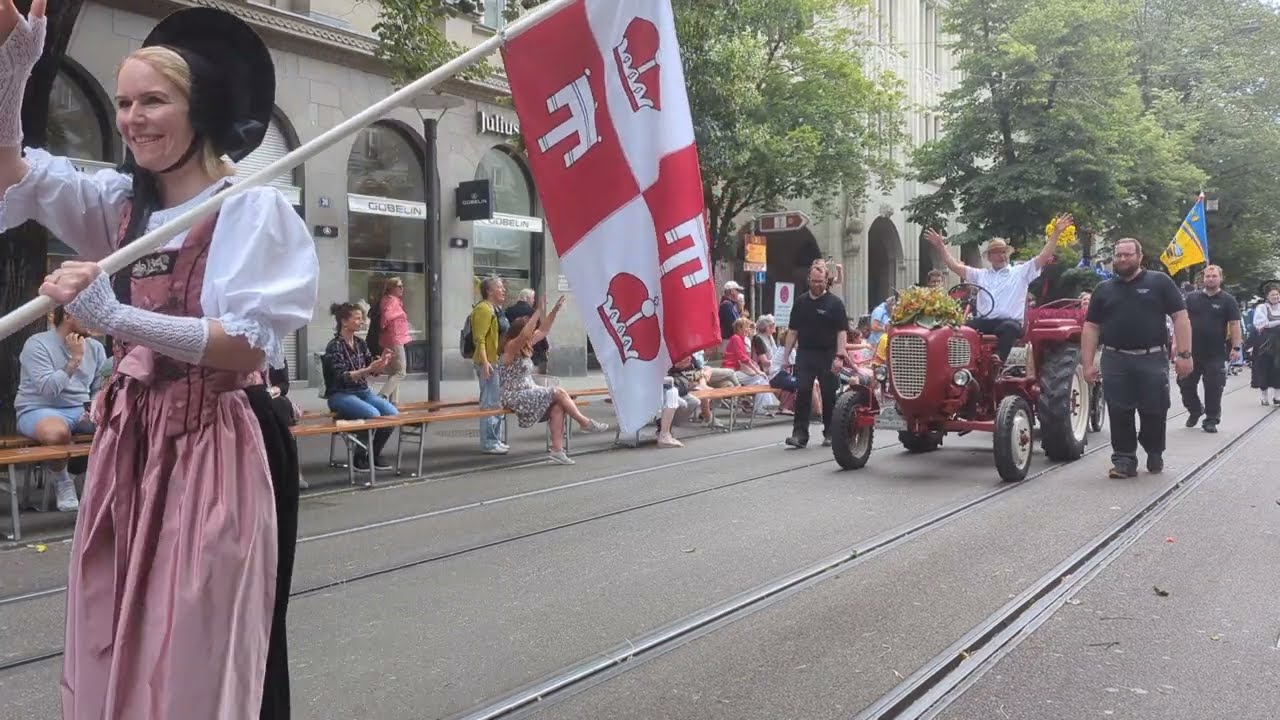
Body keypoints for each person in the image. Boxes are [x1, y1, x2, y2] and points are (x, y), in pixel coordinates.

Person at [2, 4, 318, 717]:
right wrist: (12, 76)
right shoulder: (122, 208)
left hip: (217, 442)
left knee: (199, 642)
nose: (133, 118)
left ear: (198, 108)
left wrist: (115, 318)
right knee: (116, 624)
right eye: (122, 102)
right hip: (132, 442)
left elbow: (248, 342)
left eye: (153, 100)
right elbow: (11, 174)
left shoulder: (250, 209)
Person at [1082, 238, 1191, 478]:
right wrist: (1088, 364)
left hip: (1152, 358)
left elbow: (1180, 318)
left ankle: (1154, 450)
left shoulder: (1160, 282)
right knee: (1119, 411)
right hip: (1115, 358)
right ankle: (1124, 459)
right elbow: (1091, 327)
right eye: (1119, 255)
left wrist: (1185, 354)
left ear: (1139, 257)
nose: (1122, 259)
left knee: (1154, 409)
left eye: (1128, 255)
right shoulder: (1104, 289)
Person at [925, 215, 1073, 362]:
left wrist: (1056, 234)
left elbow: (1044, 256)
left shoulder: (1020, 272)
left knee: (1008, 327)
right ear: (989, 257)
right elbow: (954, 266)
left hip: (1009, 324)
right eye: (997, 252)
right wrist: (940, 246)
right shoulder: (980, 275)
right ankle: (958, 363)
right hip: (985, 322)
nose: (1001, 256)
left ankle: (998, 360)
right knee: (960, 329)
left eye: (1003, 252)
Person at [14, 307, 109, 511]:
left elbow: (99, 386)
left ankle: (85, 477)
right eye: (88, 315)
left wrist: (93, 407)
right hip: (38, 408)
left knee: (115, 424)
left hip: (79, 409)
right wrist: (74, 360)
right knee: (57, 433)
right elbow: (48, 390)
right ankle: (63, 481)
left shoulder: (96, 347)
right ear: (67, 316)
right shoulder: (37, 344)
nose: (94, 320)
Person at [498, 296, 608, 464]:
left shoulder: (525, 344)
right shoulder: (511, 347)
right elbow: (525, 335)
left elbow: (543, 331)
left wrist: (554, 311)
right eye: (528, 331)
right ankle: (584, 422)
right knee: (557, 392)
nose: (531, 335)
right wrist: (537, 311)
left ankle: (557, 450)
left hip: (529, 390)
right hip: (513, 395)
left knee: (558, 405)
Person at [323, 302, 398, 472]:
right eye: (357, 318)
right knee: (372, 414)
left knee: (392, 414)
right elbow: (343, 377)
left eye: (362, 318)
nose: (362, 321)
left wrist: (381, 364)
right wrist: (369, 369)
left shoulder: (360, 343)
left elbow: (372, 371)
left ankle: (374, 454)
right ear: (344, 321)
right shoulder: (334, 346)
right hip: (340, 394)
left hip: (362, 392)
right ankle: (359, 456)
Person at [782, 265, 851, 448]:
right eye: (814, 281)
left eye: (820, 282)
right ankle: (799, 434)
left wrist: (839, 356)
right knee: (803, 390)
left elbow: (842, 332)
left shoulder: (835, 304)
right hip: (805, 352)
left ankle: (830, 432)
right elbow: (793, 331)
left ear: (826, 281)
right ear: (809, 280)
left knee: (829, 393)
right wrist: (785, 357)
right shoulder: (800, 302)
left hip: (828, 353)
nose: (817, 285)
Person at [1178, 265, 1242, 432]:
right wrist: (1178, 346)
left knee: (1214, 387)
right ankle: (1195, 410)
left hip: (1215, 353)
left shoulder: (1228, 300)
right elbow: (1181, 321)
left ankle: (1211, 419)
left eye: (1214, 276)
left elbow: (1234, 324)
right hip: (1191, 351)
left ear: (1220, 278)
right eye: (1208, 276)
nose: (1211, 279)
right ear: (1202, 279)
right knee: (1185, 383)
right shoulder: (1191, 298)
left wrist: (1236, 347)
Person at [471, 276, 510, 455]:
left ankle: (495, 439)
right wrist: (485, 362)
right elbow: (479, 338)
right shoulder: (483, 309)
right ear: (489, 291)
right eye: (500, 287)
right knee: (488, 402)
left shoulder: (494, 309)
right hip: (488, 363)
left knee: (495, 401)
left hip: (495, 362)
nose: (503, 290)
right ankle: (488, 442)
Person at [376, 276, 410, 403]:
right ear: (391, 288)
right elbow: (387, 317)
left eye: (402, 286)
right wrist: (400, 314)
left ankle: (393, 403)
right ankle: (382, 396)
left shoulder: (387, 299)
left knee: (394, 372)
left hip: (389, 339)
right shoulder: (392, 301)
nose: (402, 288)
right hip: (395, 339)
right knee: (401, 372)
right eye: (399, 286)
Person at [506, 288, 549, 372]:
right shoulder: (532, 312)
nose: (533, 301)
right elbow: (539, 329)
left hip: (513, 347)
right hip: (530, 348)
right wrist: (545, 347)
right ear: (527, 298)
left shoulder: (508, 311)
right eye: (533, 298)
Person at [1251, 282, 1280, 405]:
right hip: (1266, 341)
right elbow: (1261, 325)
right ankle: (1264, 396)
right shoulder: (1262, 308)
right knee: (1265, 367)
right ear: (1267, 296)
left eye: (1278, 295)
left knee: (1278, 367)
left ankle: (1277, 396)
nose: (1276, 297)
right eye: (1273, 295)